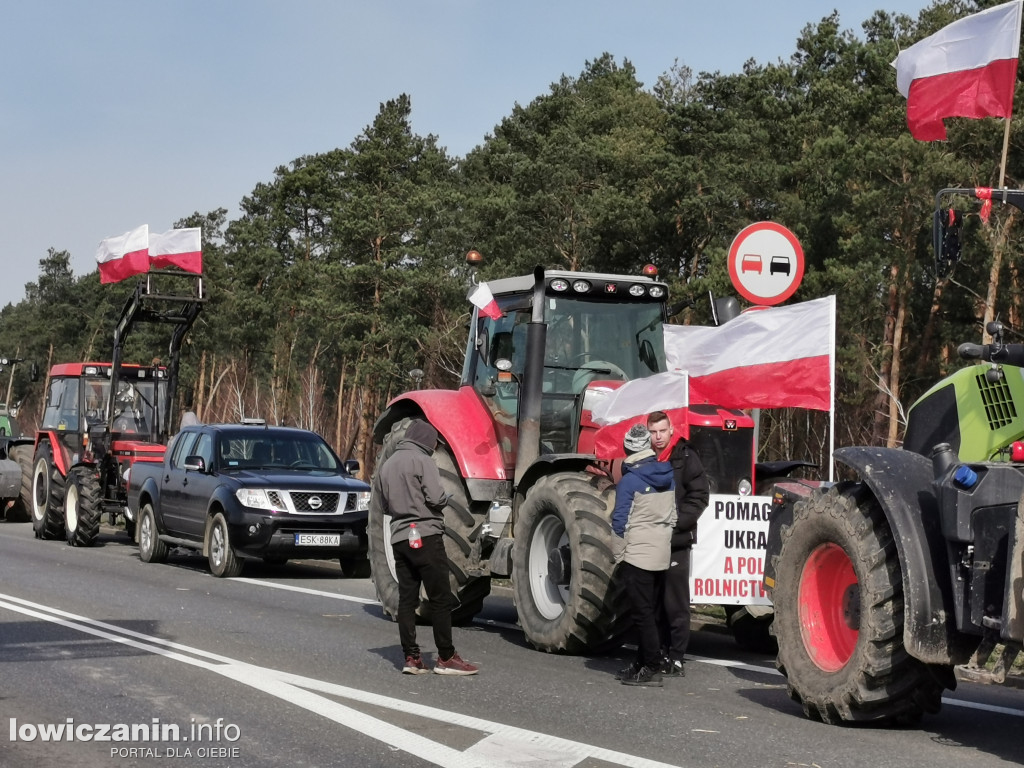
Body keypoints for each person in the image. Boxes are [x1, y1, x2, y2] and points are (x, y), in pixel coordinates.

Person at [377, 419, 479, 676]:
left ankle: (412, 658)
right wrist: (445, 500)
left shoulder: (386, 465)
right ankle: (446, 657)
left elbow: (384, 506)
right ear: (425, 439)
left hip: (400, 537)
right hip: (425, 534)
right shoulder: (423, 461)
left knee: (407, 599)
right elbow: (435, 498)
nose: (435, 447)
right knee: (440, 598)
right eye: (434, 442)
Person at [611, 422, 677, 687]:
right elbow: (673, 515)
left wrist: (618, 555)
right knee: (653, 611)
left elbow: (619, 523)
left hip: (638, 554)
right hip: (661, 552)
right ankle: (641, 663)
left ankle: (651, 666)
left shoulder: (629, 481)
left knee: (641, 614)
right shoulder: (669, 475)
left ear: (628, 449)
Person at [647, 410, 710, 678]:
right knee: (652, 601)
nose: (658, 437)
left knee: (675, 602)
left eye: (662, 431)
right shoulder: (645, 459)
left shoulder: (686, 456)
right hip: (648, 542)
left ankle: (676, 656)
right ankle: (656, 652)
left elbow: (699, 495)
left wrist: (677, 524)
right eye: (653, 432)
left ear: (671, 429)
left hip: (676, 542)